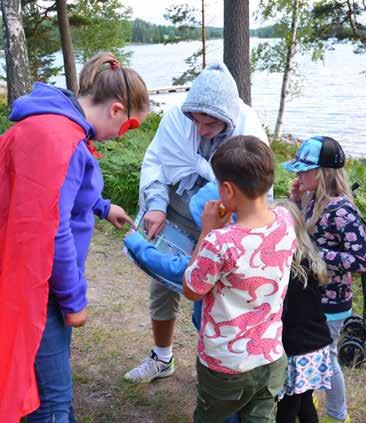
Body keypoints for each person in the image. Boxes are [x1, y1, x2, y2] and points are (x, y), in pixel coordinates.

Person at [0, 52, 149, 422]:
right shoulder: (59, 140)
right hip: (39, 288)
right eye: (130, 126)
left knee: (44, 386)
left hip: (27, 276)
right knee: (52, 401)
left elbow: (56, 192)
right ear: (116, 110)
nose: (122, 135)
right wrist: (73, 300)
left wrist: (100, 205)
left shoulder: (52, 123)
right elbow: (54, 229)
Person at [125, 62, 269, 384]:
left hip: (223, 218)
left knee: (213, 295)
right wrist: (157, 206)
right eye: (197, 121)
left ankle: (218, 370)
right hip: (177, 208)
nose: (201, 129)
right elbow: (156, 160)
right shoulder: (177, 117)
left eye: (211, 123)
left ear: (228, 118)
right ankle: (163, 358)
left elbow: (257, 192)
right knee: (162, 285)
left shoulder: (250, 131)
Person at [182, 136, 296, 422]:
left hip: (225, 365)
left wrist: (207, 231)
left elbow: (192, 289)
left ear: (228, 190)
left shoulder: (220, 242)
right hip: (270, 357)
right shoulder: (285, 220)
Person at [284, 136, 366, 423]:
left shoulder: (341, 210)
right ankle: (307, 401)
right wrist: (296, 201)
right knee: (312, 353)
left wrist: (316, 256)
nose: (298, 175)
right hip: (314, 297)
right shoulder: (312, 200)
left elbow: (362, 260)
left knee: (329, 357)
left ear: (322, 173)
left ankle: (338, 415)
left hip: (333, 301)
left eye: (304, 170)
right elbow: (305, 234)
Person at [276, 202, 333, 423]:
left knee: (287, 408)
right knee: (304, 401)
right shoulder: (310, 260)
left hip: (296, 349)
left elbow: (284, 313)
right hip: (316, 345)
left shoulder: (287, 269)